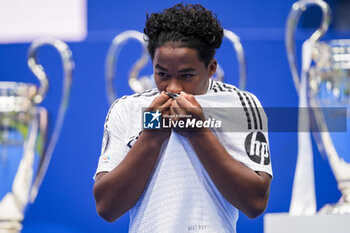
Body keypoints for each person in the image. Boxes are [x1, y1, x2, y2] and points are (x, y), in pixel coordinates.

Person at [93, 3, 272, 233]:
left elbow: (255, 203)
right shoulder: (127, 109)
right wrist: (151, 137)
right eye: (162, 74)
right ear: (153, 67)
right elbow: (106, 207)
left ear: (210, 69)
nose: (173, 87)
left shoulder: (241, 105)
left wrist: (199, 133)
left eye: (186, 75)